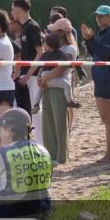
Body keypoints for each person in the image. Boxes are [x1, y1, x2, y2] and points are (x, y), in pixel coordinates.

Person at [80, 5, 110, 163]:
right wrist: (87, 39)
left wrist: (90, 39)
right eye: (97, 16)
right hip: (100, 78)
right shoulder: (103, 33)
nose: (99, 18)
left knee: (108, 119)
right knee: (105, 118)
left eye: (102, 16)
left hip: (106, 78)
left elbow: (103, 54)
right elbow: (94, 53)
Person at [36, 33, 71, 164]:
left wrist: (44, 79)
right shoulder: (45, 56)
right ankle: (50, 154)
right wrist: (39, 80)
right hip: (47, 89)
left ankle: (61, 156)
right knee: (48, 123)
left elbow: (60, 69)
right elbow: (41, 68)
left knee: (59, 123)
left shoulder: (65, 53)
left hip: (58, 90)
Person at [9, 0, 43, 123]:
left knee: (37, 111)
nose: (11, 13)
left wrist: (28, 75)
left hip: (33, 76)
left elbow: (40, 52)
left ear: (19, 9)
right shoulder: (24, 27)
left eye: (12, 9)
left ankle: (40, 141)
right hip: (25, 75)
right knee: (27, 110)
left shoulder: (32, 27)